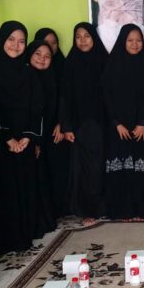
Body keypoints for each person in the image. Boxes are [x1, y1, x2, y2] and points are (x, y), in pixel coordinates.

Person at [0, 21, 50, 253]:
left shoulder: (28, 73)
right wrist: (6, 137)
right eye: (11, 39)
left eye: (21, 41)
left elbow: (38, 107)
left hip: (24, 142)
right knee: (4, 190)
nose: (16, 46)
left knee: (25, 187)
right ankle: (5, 240)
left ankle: (24, 235)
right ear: (2, 39)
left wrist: (28, 137)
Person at [101, 24, 144, 220]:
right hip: (118, 129)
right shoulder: (112, 66)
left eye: (138, 40)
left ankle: (142, 208)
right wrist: (116, 123)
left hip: (143, 129)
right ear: (122, 42)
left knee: (141, 168)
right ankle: (121, 209)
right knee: (121, 168)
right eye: (130, 40)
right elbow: (106, 97)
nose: (135, 44)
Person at [60, 22, 108, 225]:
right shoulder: (70, 63)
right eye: (78, 37)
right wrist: (66, 126)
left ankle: (103, 207)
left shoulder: (105, 61)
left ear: (94, 38)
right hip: (79, 126)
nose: (82, 41)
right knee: (84, 170)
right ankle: (88, 210)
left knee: (101, 168)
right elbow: (64, 97)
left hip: (103, 125)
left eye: (86, 36)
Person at [33, 27, 70, 219]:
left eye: (54, 43)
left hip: (57, 130)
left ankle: (60, 209)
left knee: (58, 170)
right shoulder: (28, 71)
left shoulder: (63, 66)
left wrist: (62, 123)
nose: (50, 46)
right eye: (46, 43)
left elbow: (67, 99)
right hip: (36, 132)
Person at [25, 39, 59, 230]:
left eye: (47, 56)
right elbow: (29, 112)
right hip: (29, 138)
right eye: (37, 54)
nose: (42, 59)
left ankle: (46, 218)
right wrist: (35, 140)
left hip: (45, 136)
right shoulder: (25, 77)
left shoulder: (49, 77)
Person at [96, 0, 144, 65]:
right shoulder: (101, 31)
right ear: (103, 10)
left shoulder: (137, 28)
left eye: (118, 2)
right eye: (110, 4)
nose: (116, 8)